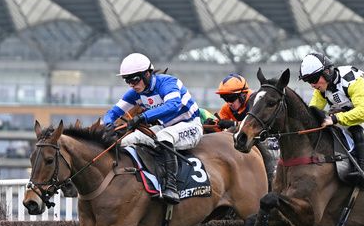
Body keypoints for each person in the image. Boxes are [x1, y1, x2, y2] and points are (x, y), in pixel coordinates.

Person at [101, 53, 202, 204]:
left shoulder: (167, 82)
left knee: (165, 136)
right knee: (126, 141)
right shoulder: (135, 93)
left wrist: (143, 117)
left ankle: (171, 187)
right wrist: (108, 124)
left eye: (134, 79)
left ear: (147, 74)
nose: (131, 84)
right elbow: (113, 112)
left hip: (190, 126)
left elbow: (173, 105)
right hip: (165, 127)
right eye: (127, 80)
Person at [299, 51, 364, 187]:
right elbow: (312, 112)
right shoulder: (322, 87)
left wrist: (335, 118)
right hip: (361, 114)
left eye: (313, 80)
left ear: (327, 72)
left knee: (351, 122)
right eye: (308, 81)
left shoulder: (352, 80)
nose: (312, 85)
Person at [214, 73, 278, 184]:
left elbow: (252, 126)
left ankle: (271, 178)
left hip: (268, 140)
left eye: (231, 98)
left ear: (243, 95)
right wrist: (213, 126)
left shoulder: (255, 101)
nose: (229, 102)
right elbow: (219, 125)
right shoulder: (227, 108)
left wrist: (232, 124)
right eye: (225, 98)